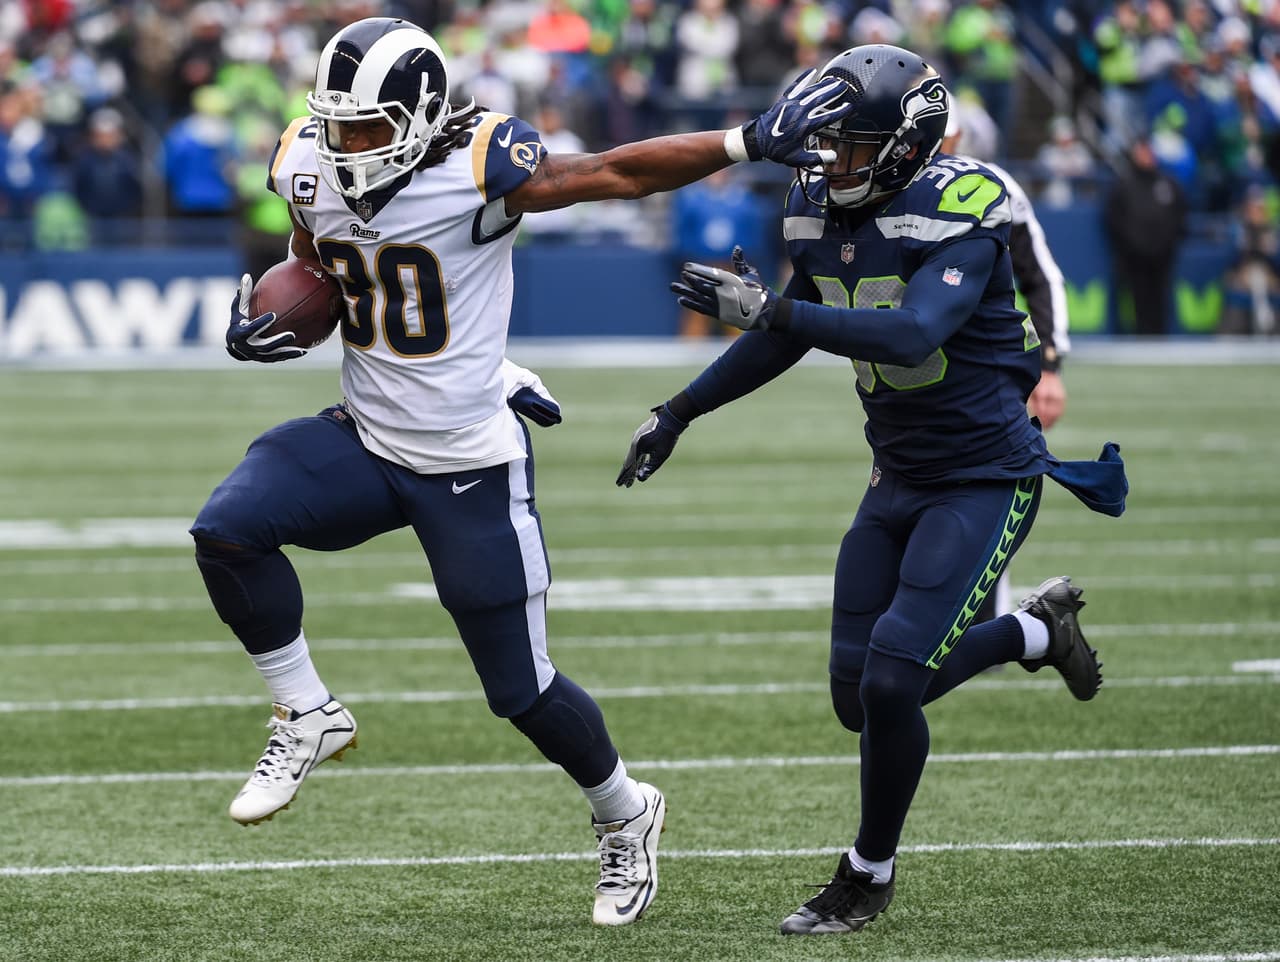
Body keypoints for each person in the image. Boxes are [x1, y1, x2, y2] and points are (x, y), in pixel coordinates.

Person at [189, 15, 849, 927]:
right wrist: (270, 319)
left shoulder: (479, 164)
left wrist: (743, 141)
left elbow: (613, 172)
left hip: (467, 460)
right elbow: (318, 269)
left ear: (421, 116)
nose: (348, 147)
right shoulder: (305, 159)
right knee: (228, 528)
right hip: (367, 436)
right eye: (337, 126)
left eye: (369, 128)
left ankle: (625, 810)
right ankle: (306, 712)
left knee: (521, 691)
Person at [616, 43, 1128, 935]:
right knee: (857, 699)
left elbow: (911, 331)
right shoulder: (814, 206)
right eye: (824, 143)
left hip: (985, 474)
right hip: (895, 471)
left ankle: (867, 873)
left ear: (905, 145)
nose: (827, 161)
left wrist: (773, 308)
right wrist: (679, 411)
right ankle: (1037, 632)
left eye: (848, 145)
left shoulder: (964, 203)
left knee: (893, 684)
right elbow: (787, 332)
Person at [940, 111, 1071, 621]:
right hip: (907, 377)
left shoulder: (989, 186)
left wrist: (1050, 364)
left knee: (983, 503)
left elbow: (1040, 275)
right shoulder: (877, 186)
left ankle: (990, 631)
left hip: (983, 369)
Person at [1103, 134, 1188, 335]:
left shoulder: (1167, 183)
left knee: (1160, 298)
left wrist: (1168, 243)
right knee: (1137, 299)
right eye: (1141, 152)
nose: (1145, 156)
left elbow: (1180, 216)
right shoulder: (1123, 185)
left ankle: (1160, 336)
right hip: (1133, 257)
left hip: (1163, 256)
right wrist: (1131, 244)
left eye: (1148, 151)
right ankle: (1139, 336)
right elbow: (1113, 219)